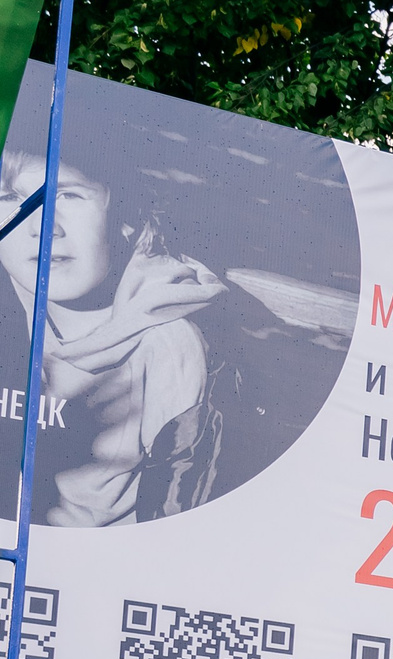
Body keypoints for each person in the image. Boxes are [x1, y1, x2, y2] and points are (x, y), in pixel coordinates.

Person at [0, 152, 229, 526]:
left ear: (124, 214)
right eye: (11, 198)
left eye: (68, 196)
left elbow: (177, 510)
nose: (43, 227)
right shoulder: (12, 302)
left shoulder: (166, 342)